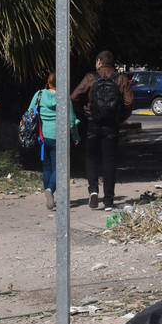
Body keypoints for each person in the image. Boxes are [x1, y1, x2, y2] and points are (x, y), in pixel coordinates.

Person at [71, 50, 132, 210]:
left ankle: (93, 191)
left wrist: (85, 111)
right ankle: (109, 201)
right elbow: (129, 102)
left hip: (93, 123)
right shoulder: (121, 79)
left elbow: (74, 96)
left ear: (99, 62)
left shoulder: (90, 78)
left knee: (91, 158)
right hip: (111, 125)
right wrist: (120, 118)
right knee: (109, 160)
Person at [29, 72, 78, 211]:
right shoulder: (64, 97)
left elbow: (30, 112)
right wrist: (76, 137)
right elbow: (72, 121)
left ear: (48, 82)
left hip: (43, 137)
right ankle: (50, 189)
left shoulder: (39, 94)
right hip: (60, 138)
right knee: (59, 168)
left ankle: (48, 194)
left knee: (47, 168)